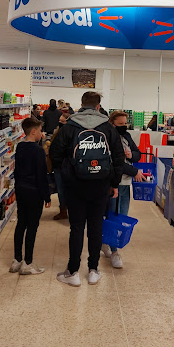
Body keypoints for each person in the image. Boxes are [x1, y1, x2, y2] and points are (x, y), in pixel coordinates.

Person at [50, 91, 125, 286]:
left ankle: (73, 272)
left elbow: (55, 153)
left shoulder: (70, 126)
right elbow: (119, 158)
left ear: (82, 104)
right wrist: (114, 183)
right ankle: (93, 270)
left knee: (76, 228)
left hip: (75, 185)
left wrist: (67, 173)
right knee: (95, 227)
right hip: (101, 185)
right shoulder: (108, 128)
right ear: (98, 106)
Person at [103, 111, 146, 268]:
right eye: (120, 124)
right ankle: (114, 250)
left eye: (125, 123)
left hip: (125, 184)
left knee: (121, 215)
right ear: (112, 123)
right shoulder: (108, 138)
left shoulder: (126, 136)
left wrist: (131, 154)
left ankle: (107, 244)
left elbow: (138, 154)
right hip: (113, 183)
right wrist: (135, 171)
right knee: (113, 216)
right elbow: (115, 162)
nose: (123, 126)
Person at [9, 117, 51, 275]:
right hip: (35, 192)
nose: (42, 133)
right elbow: (41, 175)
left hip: (21, 189)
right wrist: (47, 196)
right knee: (32, 226)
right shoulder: (38, 151)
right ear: (33, 131)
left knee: (21, 223)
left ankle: (17, 260)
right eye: (40, 130)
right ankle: (28, 263)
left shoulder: (20, 146)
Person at [49, 114, 68, 220]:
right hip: (59, 166)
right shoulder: (57, 133)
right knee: (61, 190)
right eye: (60, 121)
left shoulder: (64, 134)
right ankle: (63, 210)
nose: (61, 123)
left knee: (63, 189)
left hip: (62, 166)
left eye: (63, 121)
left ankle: (65, 210)